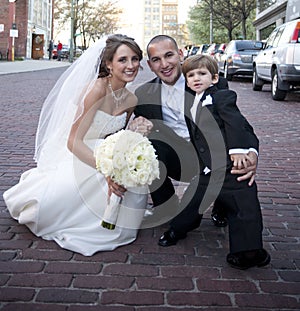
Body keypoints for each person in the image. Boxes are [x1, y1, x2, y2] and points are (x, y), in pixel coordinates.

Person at [3, 34, 148, 256]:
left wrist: (134, 136)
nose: (131, 66)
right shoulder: (96, 90)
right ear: (108, 64)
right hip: (77, 151)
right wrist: (107, 170)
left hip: (103, 150)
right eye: (123, 60)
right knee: (48, 206)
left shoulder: (131, 100)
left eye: (135, 59)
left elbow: (116, 136)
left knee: (130, 174)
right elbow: (73, 140)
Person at [129, 35, 258, 241]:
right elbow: (140, 128)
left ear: (180, 55)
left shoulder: (205, 82)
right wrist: (137, 127)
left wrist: (251, 151)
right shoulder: (144, 94)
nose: (164, 64)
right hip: (180, 157)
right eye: (156, 59)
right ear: (150, 65)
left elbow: (238, 123)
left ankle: (223, 203)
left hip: (213, 158)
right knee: (148, 147)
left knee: (231, 165)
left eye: (169, 55)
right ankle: (167, 208)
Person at [176, 54, 270, 269]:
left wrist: (240, 151)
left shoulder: (222, 97)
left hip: (231, 165)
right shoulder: (191, 101)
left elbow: (236, 123)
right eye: (191, 75)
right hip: (208, 166)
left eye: (202, 73)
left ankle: (249, 252)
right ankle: (177, 228)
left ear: (215, 78)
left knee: (244, 207)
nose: (196, 78)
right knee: (193, 200)